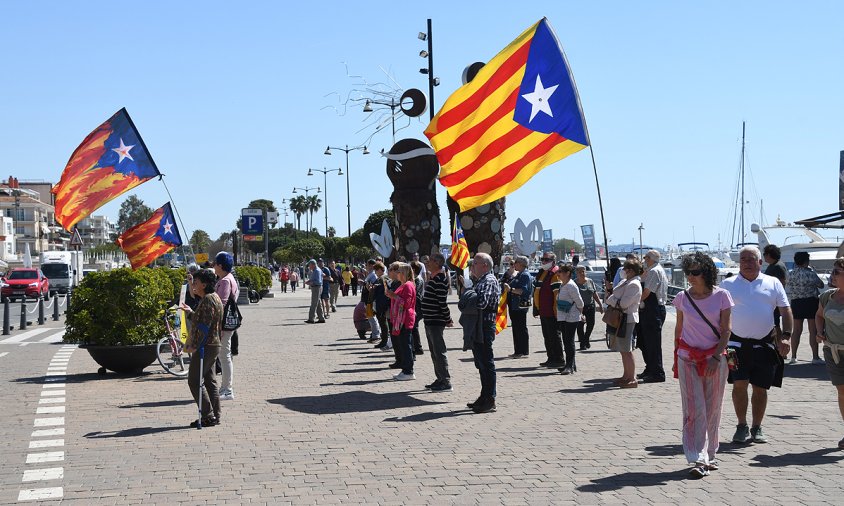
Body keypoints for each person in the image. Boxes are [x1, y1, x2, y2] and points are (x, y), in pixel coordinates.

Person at [671, 252, 733, 478]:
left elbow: (726, 331)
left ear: (707, 272)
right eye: (688, 272)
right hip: (687, 357)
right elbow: (679, 329)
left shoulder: (722, 296)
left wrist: (717, 357)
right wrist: (675, 356)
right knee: (694, 408)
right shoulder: (681, 298)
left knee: (713, 408)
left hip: (714, 357)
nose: (690, 276)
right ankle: (697, 457)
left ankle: (711, 454)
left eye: (695, 272)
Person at [722, 246, 792, 444]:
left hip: (765, 345)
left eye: (751, 259)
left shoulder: (773, 282)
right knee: (739, 384)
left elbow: (786, 311)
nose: (747, 263)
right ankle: (741, 425)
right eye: (743, 259)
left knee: (761, 388)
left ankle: (757, 426)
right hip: (734, 346)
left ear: (760, 262)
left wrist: (786, 336)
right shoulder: (727, 284)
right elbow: (718, 314)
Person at [180, 268, 223, 427]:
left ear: (204, 284)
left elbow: (203, 326)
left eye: (196, 283)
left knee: (194, 380)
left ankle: (207, 415)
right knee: (210, 380)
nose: (193, 286)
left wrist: (193, 344)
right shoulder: (214, 298)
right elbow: (204, 320)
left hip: (206, 345)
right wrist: (191, 312)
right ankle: (215, 415)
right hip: (214, 343)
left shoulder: (207, 300)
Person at [464, 252, 501, 414]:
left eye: (475, 263)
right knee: (481, 363)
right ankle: (484, 395)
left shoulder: (489, 280)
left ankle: (490, 398)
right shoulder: (480, 281)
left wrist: (468, 296)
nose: (472, 267)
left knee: (486, 363)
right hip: (478, 325)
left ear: (485, 265)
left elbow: (481, 302)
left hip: (484, 326)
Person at [813, 258, 844, 449]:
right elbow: (818, 315)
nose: (832, 276)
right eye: (832, 272)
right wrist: (819, 331)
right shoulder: (827, 297)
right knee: (842, 391)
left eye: (836, 272)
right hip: (833, 351)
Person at [606, 259, 643, 389]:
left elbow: (623, 303)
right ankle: (626, 375)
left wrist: (613, 300)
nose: (624, 271)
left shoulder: (634, 284)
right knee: (622, 349)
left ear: (632, 270)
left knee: (627, 349)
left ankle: (632, 378)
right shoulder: (625, 282)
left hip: (627, 318)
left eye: (626, 269)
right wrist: (613, 299)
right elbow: (613, 296)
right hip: (620, 317)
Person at [421, 253, 453, 392]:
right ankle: (439, 378)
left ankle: (445, 381)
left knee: (439, 351)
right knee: (434, 351)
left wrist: (447, 318)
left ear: (437, 263)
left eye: (431, 260)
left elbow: (442, 302)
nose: (428, 262)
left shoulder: (440, 279)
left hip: (436, 320)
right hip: (429, 320)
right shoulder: (433, 278)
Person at [786, 251, 825, 364]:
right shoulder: (810, 273)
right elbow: (821, 284)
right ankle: (815, 357)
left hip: (796, 302)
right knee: (813, 330)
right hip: (810, 301)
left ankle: (793, 356)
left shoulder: (791, 273)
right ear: (806, 261)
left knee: (797, 330)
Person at [637, 250, 669, 383]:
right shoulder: (652, 270)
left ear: (651, 259)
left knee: (653, 343)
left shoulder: (654, 271)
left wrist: (635, 301)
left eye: (646, 257)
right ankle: (650, 368)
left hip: (653, 310)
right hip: (651, 310)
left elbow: (647, 292)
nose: (644, 259)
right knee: (645, 341)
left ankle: (657, 372)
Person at [212, 252, 239, 401]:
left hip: (223, 323)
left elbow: (220, 304)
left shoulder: (225, 281)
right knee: (224, 355)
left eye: (215, 264)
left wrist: (216, 324)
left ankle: (227, 389)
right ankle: (225, 388)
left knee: (224, 355)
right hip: (226, 323)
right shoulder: (227, 279)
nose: (214, 266)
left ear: (220, 265)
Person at [533, 252, 565, 368]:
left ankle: (559, 359)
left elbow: (557, 295)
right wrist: (536, 308)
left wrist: (557, 312)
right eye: (543, 259)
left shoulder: (555, 273)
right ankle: (551, 358)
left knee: (555, 336)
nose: (544, 261)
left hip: (552, 312)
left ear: (553, 261)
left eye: (547, 259)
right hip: (543, 310)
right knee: (547, 336)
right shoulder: (544, 273)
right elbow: (537, 291)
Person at [386, 262, 417, 381]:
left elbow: (407, 303)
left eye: (399, 271)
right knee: (404, 345)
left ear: (404, 273)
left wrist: (394, 296)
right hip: (401, 318)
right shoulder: (403, 284)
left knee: (406, 345)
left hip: (405, 318)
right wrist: (391, 295)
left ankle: (408, 371)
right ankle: (406, 370)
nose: (397, 273)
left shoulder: (408, 285)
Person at [501, 255, 533, 358]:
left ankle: (522, 351)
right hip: (515, 305)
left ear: (521, 264)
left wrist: (510, 289)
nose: (514, 264)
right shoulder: (519, 274)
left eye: (516, 262)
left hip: (520, 305)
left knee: (520, 328)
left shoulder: (525, 275)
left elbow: (522, 290)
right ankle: (518, 350)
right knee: (516, 328)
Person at [555, 263, 584, 375]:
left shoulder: (571, 285)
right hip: (563, 316)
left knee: (569, 341)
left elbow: (579, 302)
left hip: (572, 316)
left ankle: (569, 366)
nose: (559, 274)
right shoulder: (563, 285)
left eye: (561, 272)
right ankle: (571, 364)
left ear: (567, 273)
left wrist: (581, 314)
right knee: (566, 340)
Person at [764, 244, 788, 341]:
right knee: (774, 323)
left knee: (776, 324)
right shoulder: (773, 265)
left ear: (769, 255)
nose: (764, 256)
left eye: (765, 254)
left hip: (775, 300)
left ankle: (780, 346)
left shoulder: (778, 266)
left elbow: (782, 283)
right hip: (771, 299)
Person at [575, 266, 603, 350]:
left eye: (583, 272)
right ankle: (582, 343)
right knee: (580, 325)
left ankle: (586, 339)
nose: (582, 274)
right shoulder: (574, 283)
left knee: (591, 324)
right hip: (579, 307)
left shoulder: (590, 281)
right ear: (576, 273)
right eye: (580, 272)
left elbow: (594, 294)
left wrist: (600, 305)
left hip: (590, 306)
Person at [304, 259, 326, 324]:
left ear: (313, 264)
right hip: (317, 288)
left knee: (314, 303)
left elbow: (318, 281)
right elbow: (323, 275)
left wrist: (311, 283)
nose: (309, 266)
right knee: (318, 303)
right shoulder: (317, 270)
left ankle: (311, 319)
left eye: (310, 265)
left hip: (316, 288)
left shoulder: (316, 271)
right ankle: (321, 318)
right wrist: (310, 281)